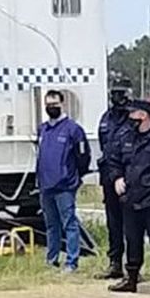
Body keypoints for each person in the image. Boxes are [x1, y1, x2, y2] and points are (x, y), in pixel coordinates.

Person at [107, 99, 150, 295]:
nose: (130, 118)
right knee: (132, 239)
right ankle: (131, 278)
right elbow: (113, 160)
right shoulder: (126, 137)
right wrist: (117, 177)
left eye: (133, 114)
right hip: (130, 197)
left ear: (143, 115)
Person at [35, 90, 91, 273]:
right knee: (52, 225)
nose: (51, 108)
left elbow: (83, 156)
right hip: (46, 186)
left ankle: (71, 262)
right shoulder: (43, 129)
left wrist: (74, 177)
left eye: (55, 104)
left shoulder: (73, 129)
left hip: (65, 186)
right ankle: (52, 260)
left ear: (62, 104)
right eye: (48, 105)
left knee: (69, 224)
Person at [95, 78, 135, 279]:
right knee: (113, 222)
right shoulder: (106, 118)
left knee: (131, 223)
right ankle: (115, 263)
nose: (118, 97)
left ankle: (132, 266)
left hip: (128, 177)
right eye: (115, 93)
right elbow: (104, 145)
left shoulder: (133, 118)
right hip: (108, 176)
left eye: (122, 93)